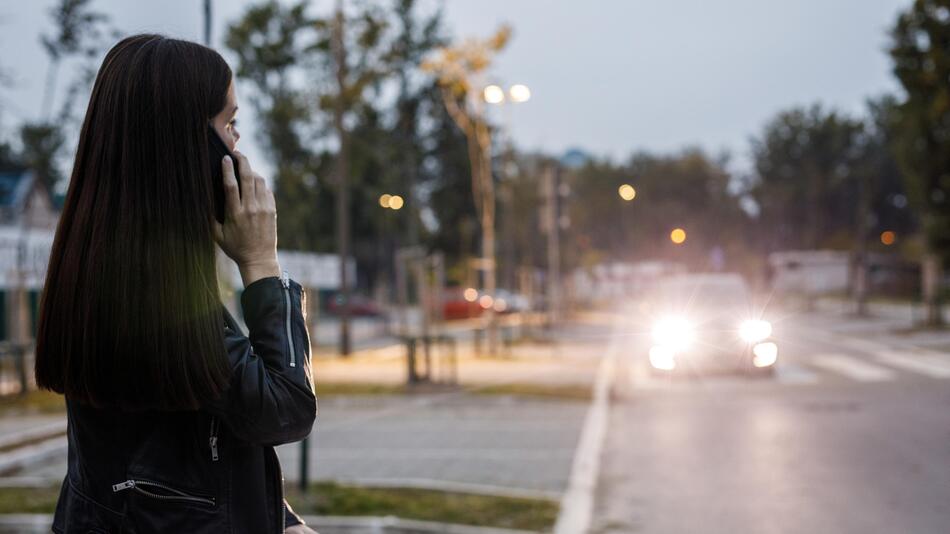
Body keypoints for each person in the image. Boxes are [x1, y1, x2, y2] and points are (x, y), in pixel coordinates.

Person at [33, 34, 318, 533]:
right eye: (228, 124)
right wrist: (261, 264)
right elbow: (284, 411)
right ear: (189, 146)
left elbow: (183, 447)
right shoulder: (156, 302)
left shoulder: (109, 269)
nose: (236, 146)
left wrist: (283, 520)